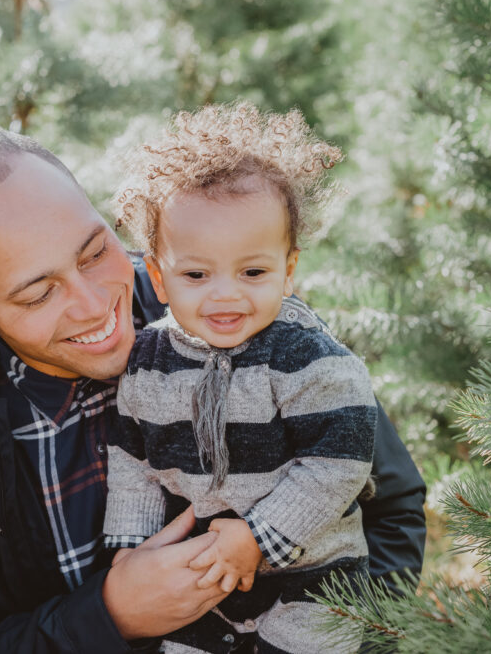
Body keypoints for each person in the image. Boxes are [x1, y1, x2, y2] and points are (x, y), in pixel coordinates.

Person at [0, 129, 427, 653]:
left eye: (95, 253)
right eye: (38, 294)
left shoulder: (220, 295)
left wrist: (343, 636)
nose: (94, 306)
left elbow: (392, 510)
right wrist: (110, 615)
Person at [104, 102, 374, 653]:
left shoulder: (304, 354)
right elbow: (133, 462)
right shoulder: (150, 358)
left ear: (289, 269)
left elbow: (339, 461)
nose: (225, 294)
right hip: (204, 572)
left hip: (311, 569)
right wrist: (133, 547)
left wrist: (259, 538)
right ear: (157, 275)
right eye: (197, 274)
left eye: (253, 272)